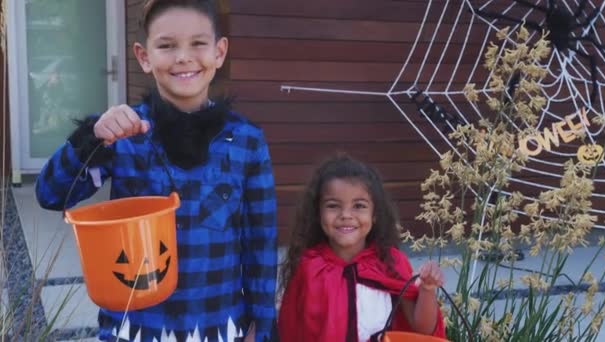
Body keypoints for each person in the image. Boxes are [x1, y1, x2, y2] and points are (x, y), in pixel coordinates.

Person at [35, 0, 277, 341]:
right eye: (166, 45)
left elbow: (261, 246)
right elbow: (50, 194)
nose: (183, 57)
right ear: (144, 56)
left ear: (219, 52)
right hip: (136, 329)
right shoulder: (123, 136)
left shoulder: (247, 142)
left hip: (217, 326)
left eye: (198, 43)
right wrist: (91, 138)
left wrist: (262, 328)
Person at [278, 154, 446, 342]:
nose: (346, 215)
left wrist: (427, 290)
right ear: (318, 214)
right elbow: (290, 330)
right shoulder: (309, 267)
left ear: (375, 215)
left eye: (359, 206)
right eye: (333, 206)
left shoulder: (390, 262)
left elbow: (421, 330)